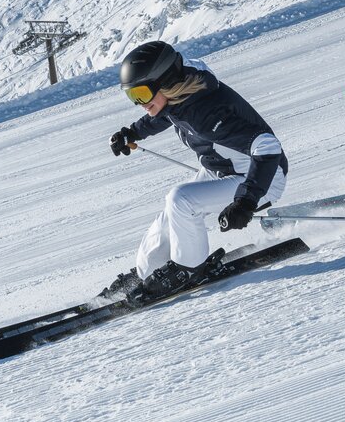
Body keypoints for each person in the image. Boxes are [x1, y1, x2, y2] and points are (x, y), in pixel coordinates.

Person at [101, 40, 289, 304]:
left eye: (141, 94)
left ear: (165, 82)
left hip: (261, 178)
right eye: (133, 97)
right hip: (221, 171)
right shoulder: (177, 95)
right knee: (168, 218)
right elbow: (162, 114)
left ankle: (188, 269)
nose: (140, 104)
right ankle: (148, 272)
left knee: (181, 200)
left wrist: (246, 201)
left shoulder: (205, 113)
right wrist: (132, 133)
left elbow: (268, 146)